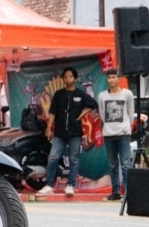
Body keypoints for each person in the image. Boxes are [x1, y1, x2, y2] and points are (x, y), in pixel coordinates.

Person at [37, 66, 97, 197]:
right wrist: (48, 128)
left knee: (74, 159)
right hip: (59, 133)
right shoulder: (59, 94)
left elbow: (93, 104)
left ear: (75, 79)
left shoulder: (80, 94)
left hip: (75, 132)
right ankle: (49, 185)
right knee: (53, 157)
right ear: (63, 79)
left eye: (70, 76)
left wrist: (83, 114)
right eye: (65, 77)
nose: (68, 79)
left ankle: (71, 185)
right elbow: (52, 112)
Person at [97, 68, 135, 201]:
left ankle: (129, 192)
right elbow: (101, 113)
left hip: (123, 133)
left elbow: (131, 112)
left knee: (125, 164)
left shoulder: (127, 94)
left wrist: (127, 126)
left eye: (114, 77)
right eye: (109, 77)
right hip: (108, 134)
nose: (111, 80)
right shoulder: (102, 96)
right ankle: (115, 192)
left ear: (119, 79)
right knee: (112, 165)